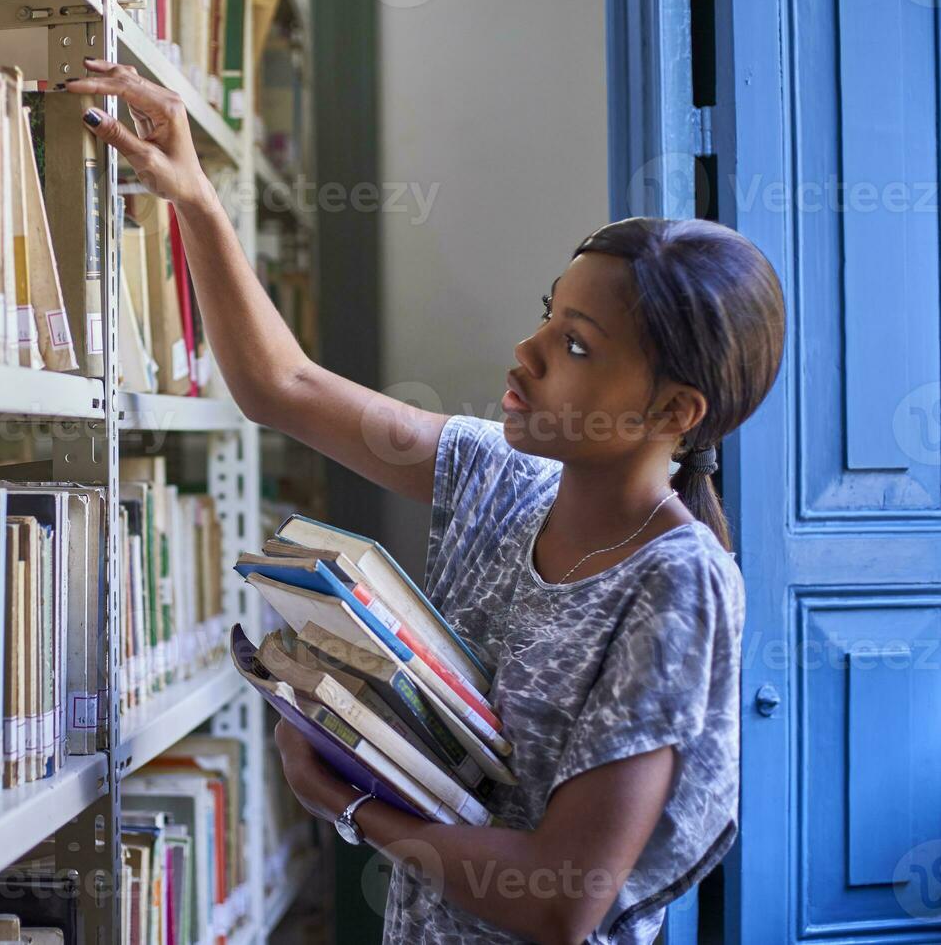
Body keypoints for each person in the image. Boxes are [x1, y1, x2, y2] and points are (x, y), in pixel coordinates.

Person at [67, 61, 785, 945]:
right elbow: (282, 384)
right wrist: (197, 201)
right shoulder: (501, 479)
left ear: (674, 412)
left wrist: (354, 810)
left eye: (575, 344)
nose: (525, 353)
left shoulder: (678, 584)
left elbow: (564, 901)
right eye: (545, 315)